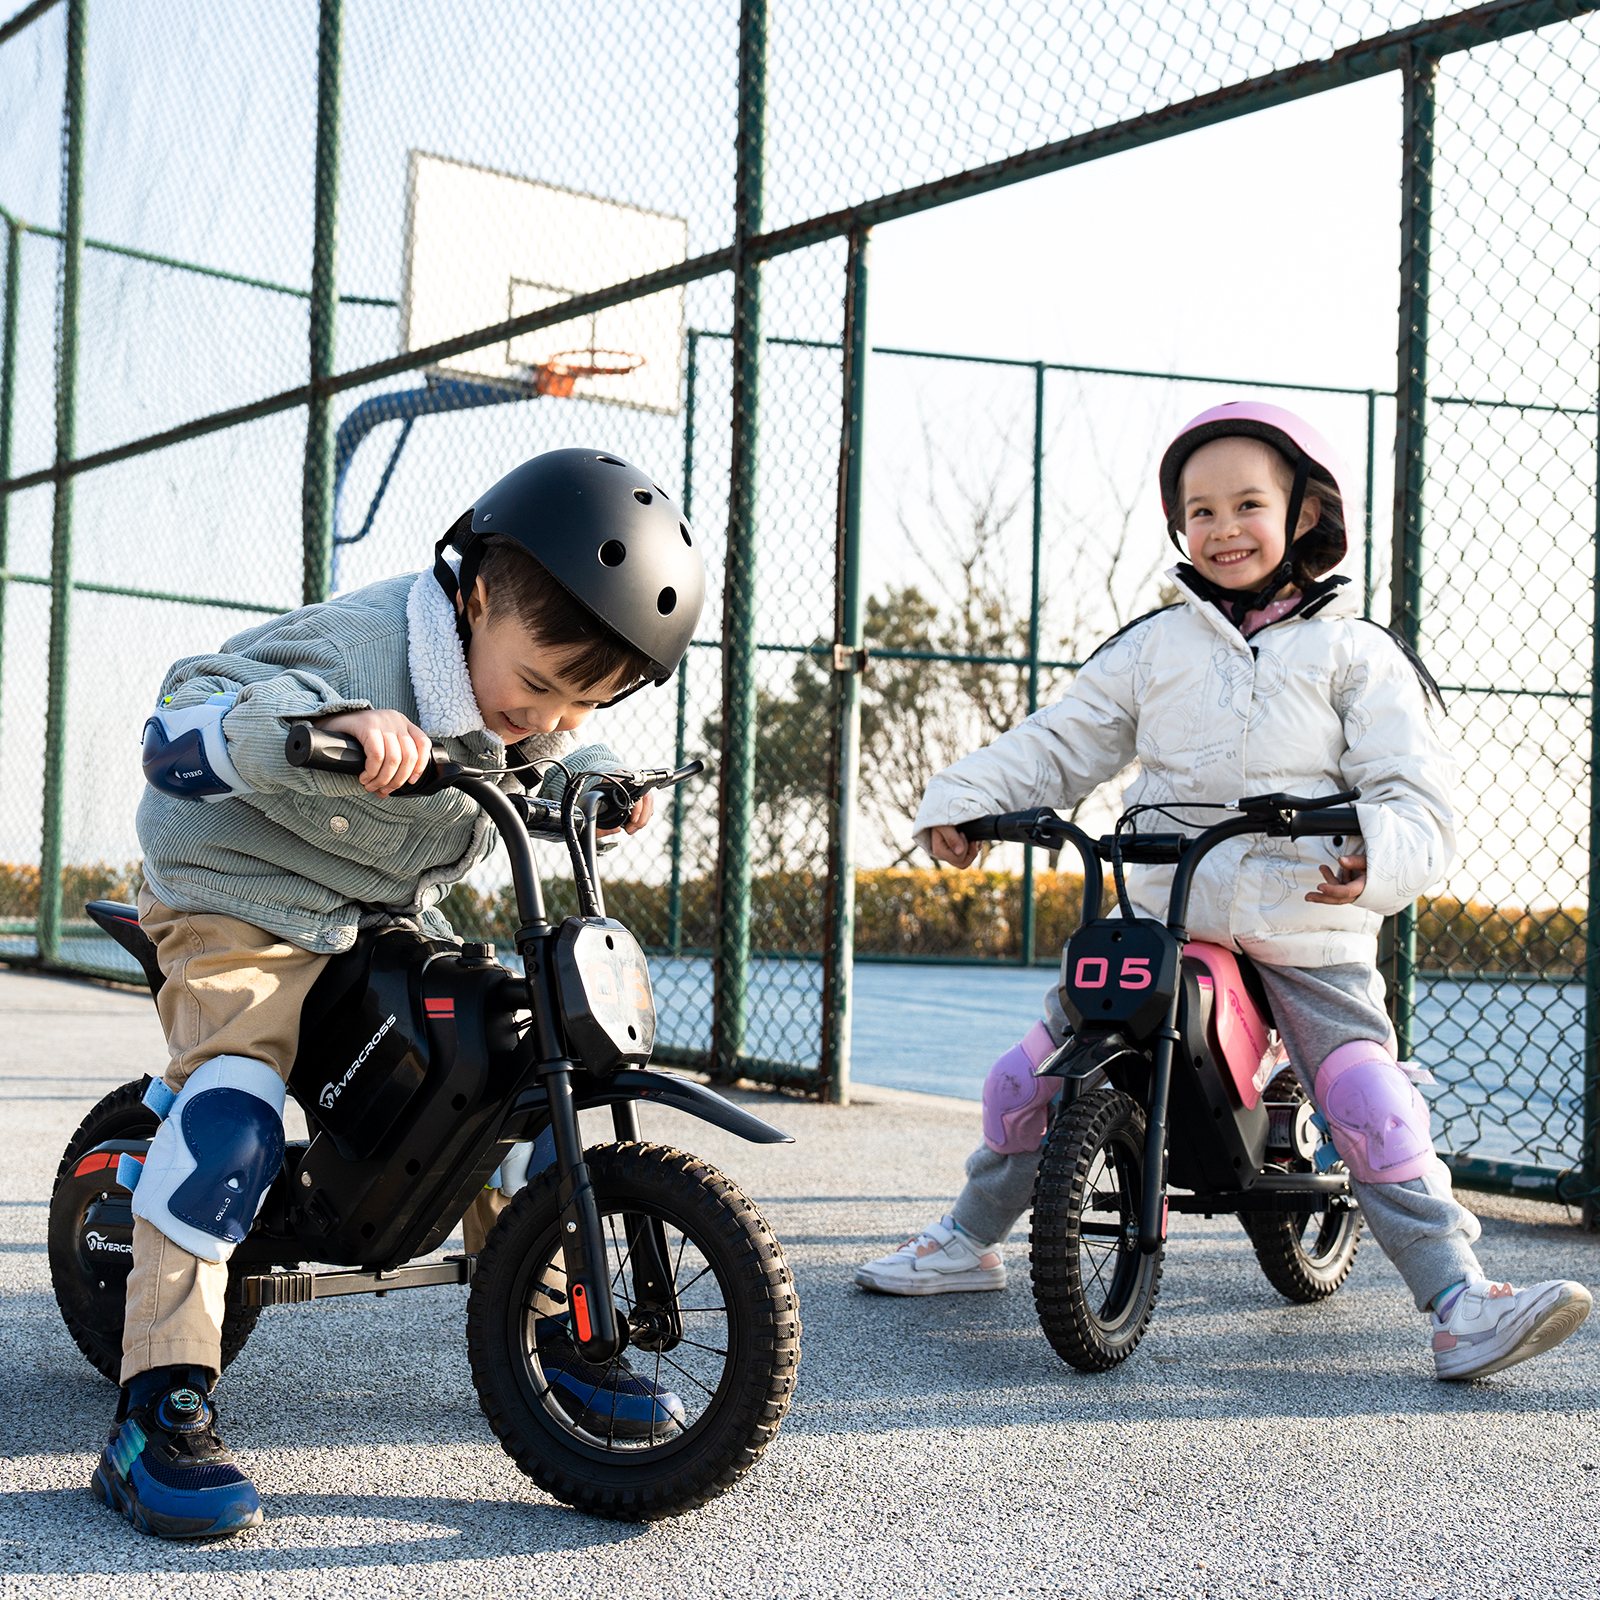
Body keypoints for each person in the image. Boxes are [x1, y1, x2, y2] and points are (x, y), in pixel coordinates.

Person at [855, 401, 1592, 1383]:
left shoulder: (1356, 652)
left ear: (1304, 516)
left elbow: (1413, 792)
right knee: (1021, 1080)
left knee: (1368, 1099)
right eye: (1199, 510)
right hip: (1170, 913)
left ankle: (1458, 1299)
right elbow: (1059, 743)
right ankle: (963, 1240)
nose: (1224, 527)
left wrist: (1380, 847)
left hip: (1307, 923)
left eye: (1249, 503)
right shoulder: (1155, 645)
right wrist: (964, 802)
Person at [94, 449, 705, 1539]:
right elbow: (188, 709)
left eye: (583, 700)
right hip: (237, 902)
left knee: (497, 1062)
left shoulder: (527, 701)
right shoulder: (365, 645)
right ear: (472, 598)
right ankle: (159, 1402)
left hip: (368, 915)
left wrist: (593, 775)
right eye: (538, 687)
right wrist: (322, 725)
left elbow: (548, 753)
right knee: (231, 1103)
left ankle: (561, 1324)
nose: (544, 719)